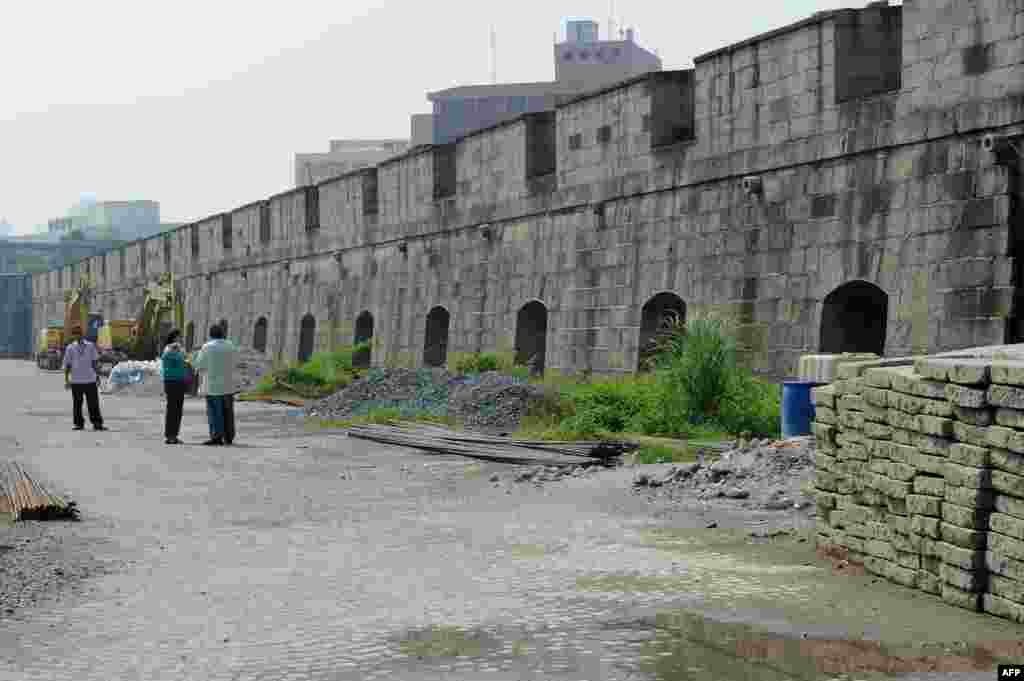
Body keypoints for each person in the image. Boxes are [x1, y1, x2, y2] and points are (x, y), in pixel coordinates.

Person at [192, 324, 238, 446]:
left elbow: (199, 365)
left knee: (214, 411)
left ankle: (217, 436)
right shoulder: (231, 346)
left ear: (210, 334)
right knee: (228, 412)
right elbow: (236, 363)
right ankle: (229, 436)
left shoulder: (207, 347)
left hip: (212, 385)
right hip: (228, 385)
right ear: (223, 334)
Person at [62, 328, 106, 432]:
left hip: (90, 380)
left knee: (93, 403)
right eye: (75, 334)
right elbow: (67, 365)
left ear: (83, 334)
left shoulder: (90, 346)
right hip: (76, 381)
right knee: (77, 404)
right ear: (73, 335)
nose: (77, 336)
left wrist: (97, 376)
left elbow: (94, 362)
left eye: (79, 334)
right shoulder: (70, 348)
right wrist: (66, 379)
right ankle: (78, 424)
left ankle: (97, 424)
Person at [160, 329, 189, 445]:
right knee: (173, 409)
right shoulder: (171, 349)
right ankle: (170, 435)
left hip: (178, 381)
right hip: (174, 382)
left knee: (177, 409)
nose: (181, 339)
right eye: (179, 337)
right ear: (174, 338)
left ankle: (173, 435)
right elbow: (179, 360)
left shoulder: (177, 349)